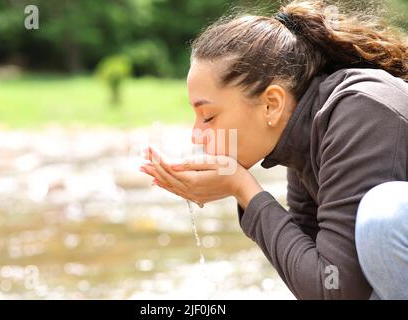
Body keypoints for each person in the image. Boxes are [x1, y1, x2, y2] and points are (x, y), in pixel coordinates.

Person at [140, 0, 408, 299]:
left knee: (385, 215)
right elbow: (315, 277)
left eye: (209, 116)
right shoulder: (304, 134)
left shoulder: (360, 111)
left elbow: (336, 289)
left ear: (272, 104)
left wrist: (244, 189)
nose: (197, 136)